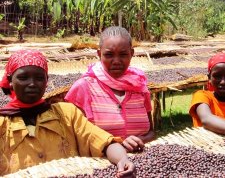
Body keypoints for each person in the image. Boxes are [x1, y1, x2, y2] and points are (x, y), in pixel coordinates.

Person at [0, 49, 135, 177]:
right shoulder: (2, 124)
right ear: (11, 81)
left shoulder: (66, 114)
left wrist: (122, 160)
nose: (32, 84)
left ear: (47, 81)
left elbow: (102, 141)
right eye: (23, 78)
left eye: (39, 78)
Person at [65, 26, 154, 153]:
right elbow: (72, 138)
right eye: (109, 55)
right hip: (98, 167)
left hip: (142, 165)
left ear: (132, 54)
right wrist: (116, 145)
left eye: (123, 54)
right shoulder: (84, 88)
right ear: (99, 54)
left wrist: (138, 141)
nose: (116, 61)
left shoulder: (139, 87)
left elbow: (151, 132)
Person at [189, 52, 225, 134]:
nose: (223, 82)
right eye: (217, 76)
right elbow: (207, 120)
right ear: (209, 78)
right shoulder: (202, 96)